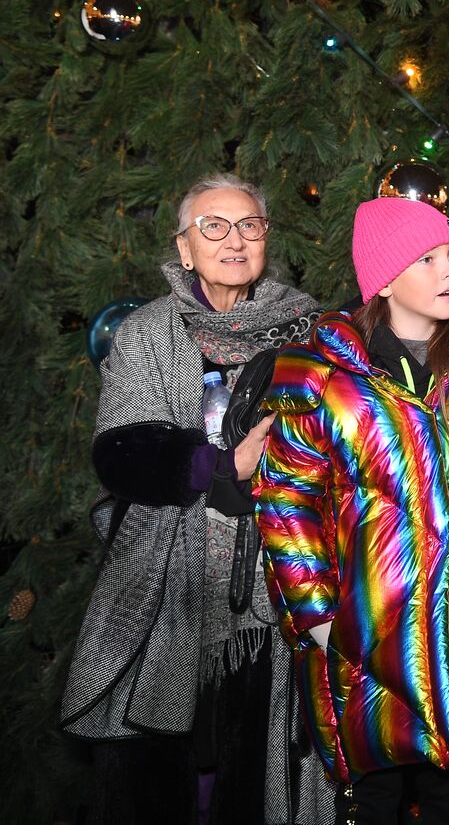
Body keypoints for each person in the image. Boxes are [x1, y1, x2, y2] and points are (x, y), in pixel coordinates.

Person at [253, 197, 449, 825]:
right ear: (383, 279)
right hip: (367, 633)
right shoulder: (323, 379)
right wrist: (316, 612)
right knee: (373, 797)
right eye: (427, 259)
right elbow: (285, 501)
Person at [60, 173, 329, 824]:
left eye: (249, 225)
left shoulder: (309, 328)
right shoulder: (150, 331)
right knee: (155, 774)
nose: (233, 239)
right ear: (184, 248)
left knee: (258, 771)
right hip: (166, 586)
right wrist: (220, 465)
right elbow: (121, 450)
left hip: (275, 587)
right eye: (214, 225)